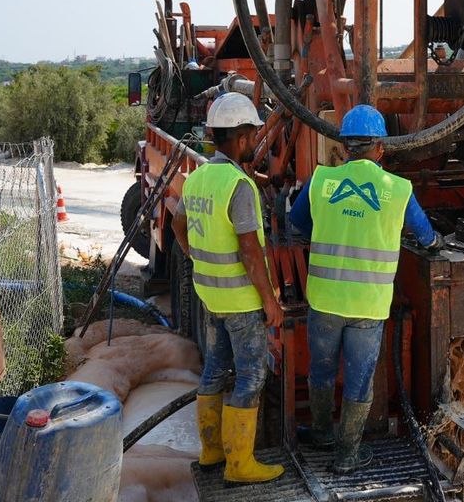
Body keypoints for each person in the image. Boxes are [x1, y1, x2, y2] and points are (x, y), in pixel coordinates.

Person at [288, 104, 443, 473]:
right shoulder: (398, 190)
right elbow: (426, 237)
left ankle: (322, 432)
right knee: (359, 379)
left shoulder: (321, 181)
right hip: (368, 306)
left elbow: (295, 225)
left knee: (322, 370)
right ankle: (347, 453)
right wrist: (436, 242)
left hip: (324, 300)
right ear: (380, 148)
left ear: (344, 146)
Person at [171, 92, 284, 485]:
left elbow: (177, 225)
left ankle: (211, 452)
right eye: (252, 135)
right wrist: (270, 301)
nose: (254, 142)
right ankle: (240, 465)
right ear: (240, 137)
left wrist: (197, 256)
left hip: (210, 295)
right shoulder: (239, 186)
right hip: (240, 299)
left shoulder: (197, 178)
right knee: (251, 376)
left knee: (215, 369)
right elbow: (250, 249)